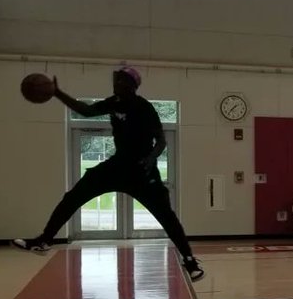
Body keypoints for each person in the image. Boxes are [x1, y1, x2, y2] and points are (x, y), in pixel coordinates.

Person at [13, 66, 203, 281]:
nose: (116, 85)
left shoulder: (144, 108)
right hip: (117, 166)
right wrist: (57, 93)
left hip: (141, 170)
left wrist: (151, 159)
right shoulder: (112, 103)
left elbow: (161, 140)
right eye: (115, 81)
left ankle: (190, 261)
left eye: (121, 81)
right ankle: (44, 240)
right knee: (73, 197)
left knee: (167, 217)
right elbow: (85, 111)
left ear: (132, 85)